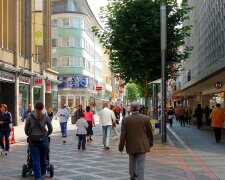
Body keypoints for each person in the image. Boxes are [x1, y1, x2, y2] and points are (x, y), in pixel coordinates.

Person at [119, 102, 153, 180]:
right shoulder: (146, 118)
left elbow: (123, 135)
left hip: (130, 145)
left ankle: (133, 176)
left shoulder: (125, 120)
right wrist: (150, 142)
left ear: (130, 109)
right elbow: (150, 132)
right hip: (143, 145)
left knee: (132, 161)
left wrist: (121, 146)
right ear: (138, 108)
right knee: (141, 163)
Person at [24, 102, 53, 180]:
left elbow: (26, 129)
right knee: (43, 158)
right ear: (43, 107)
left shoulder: (30, 117)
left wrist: (29, 135)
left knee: (35, 159)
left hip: (33, 141)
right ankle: (43, 173)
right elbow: (50, 129)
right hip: (44, 141)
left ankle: (38, 178)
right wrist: (46, 135)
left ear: (35, 108)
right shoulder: (46, 117)